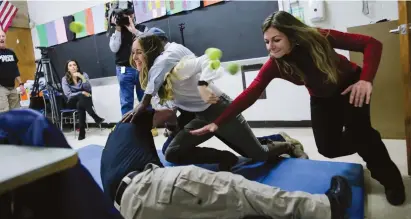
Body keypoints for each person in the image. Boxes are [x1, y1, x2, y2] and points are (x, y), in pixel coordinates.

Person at [190, 11, 405, 206]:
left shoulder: (318, 37)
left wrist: (366, 80)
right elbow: (251, 93)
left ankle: (391, 181)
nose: (270, 47)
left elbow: (372, 44)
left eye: (276, 40)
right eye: (266, 42)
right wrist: (218, 122)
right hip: (321, 100)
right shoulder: (275, 63)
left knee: (363, 135)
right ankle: (367, 137)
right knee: (328, 149)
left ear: (291, 35)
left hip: (350, 88)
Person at [101, 108, 352, 219]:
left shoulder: (116, 144)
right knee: (235, 187)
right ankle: (323, 211)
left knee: (204, 206)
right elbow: (163, 114)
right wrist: (162, 114)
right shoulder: (133, 123)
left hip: (129, 214)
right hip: (144, 190)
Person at [123, 34, 308, 171]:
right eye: (133, 53)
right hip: (200, 116)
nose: (135, 57)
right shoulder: (157, 82)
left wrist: (203, 85)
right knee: (171, 152)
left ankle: (287, 143)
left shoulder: (177, 68)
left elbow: (208, 59)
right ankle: (227, 158)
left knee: (257, 154)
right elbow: (169, 109)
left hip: (219, 109)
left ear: (151, 52)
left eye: (139, 52)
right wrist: (169, 126)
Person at [108, 3, 147, 116]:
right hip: (124, 69)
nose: (126, 17)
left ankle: (148, 125)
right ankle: (127, 128)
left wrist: (134, 30)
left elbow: (149, 42)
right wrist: (118, 29)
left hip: (141, 67)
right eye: (123, 15)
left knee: (145, 99)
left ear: (133, 15)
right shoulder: (116, 31)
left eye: (128, 14)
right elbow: (114, 48)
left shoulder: (141, 28)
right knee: (126, 101)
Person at [62, 59, 104, 140]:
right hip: (72, 101)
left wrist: (82, 78)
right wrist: (81, 93)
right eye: (70, 65)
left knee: (80, 104)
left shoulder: (84, 74)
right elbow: (68, 94)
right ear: (68, 69)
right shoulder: (64, 79)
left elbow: (88, 88)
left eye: (74, 65)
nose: (73, 67)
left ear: (77, 67)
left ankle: (82, 131)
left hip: (83, 101)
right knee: (81, 97)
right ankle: (95, 117)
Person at [0, 27, 25, 113]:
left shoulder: (11, 52)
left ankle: (15, 126)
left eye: (3, 36)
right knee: (4, 112)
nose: (1, 38)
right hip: (1, 88)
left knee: (16, 111)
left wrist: (21, 84)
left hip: (12, 87)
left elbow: (15, 69)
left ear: (5, 38)